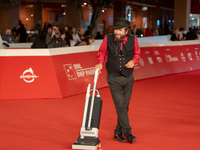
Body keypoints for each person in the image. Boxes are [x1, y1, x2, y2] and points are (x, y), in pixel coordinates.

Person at [95, 17, 141, 144]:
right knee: (121, 106)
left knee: (124, 107)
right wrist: (99, 63)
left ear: (126, 31)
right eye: (116, 30)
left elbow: (137, 54)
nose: (117, 33)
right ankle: (128, 132)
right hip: (113, 78)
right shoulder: (108, 38)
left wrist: (133, 61)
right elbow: (102, 52)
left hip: (128, 78)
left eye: (120, 30)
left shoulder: (133, 40)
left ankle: (117, 133)